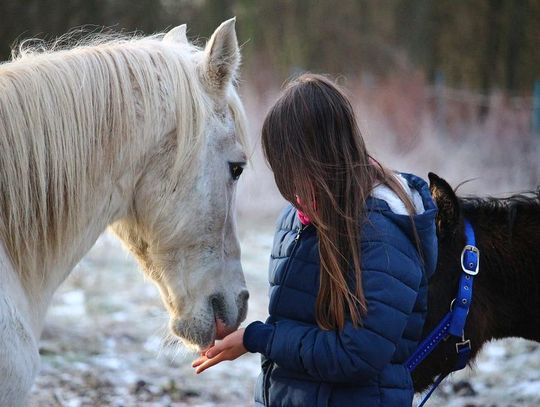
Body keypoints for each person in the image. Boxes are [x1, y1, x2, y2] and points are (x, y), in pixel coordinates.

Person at [192, 73, 438, 406]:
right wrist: (239, 332)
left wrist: (259, 338)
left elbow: (357, 354)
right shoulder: (296, 219)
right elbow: (295, 328)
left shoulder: (383, 234)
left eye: (293, 168)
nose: (290, 187)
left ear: (322, 158)